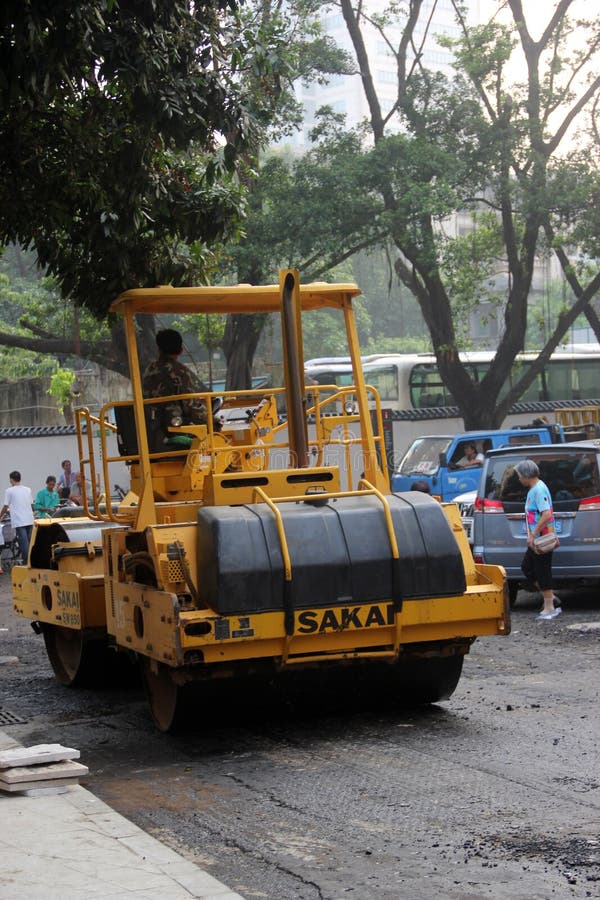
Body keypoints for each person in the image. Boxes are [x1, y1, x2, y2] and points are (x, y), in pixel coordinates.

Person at [142, 329, 211, 449]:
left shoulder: (149, 370)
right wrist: (212, 421)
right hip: (173, 430)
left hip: (151, 430)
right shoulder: (180, 371)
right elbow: (191, 407)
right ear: (181, 350)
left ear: (159, 349)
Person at [515, 459, 560, 621]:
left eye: (520, 475)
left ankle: (549, 606)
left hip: (542, 538)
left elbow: (546, 514)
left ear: (526, 475)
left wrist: (533, 534)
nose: (519, 478)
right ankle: (551, 597)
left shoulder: (538, 490)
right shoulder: (534, 489)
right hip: (536, 539)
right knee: (527, 567)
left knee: (542, 570)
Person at [0, 471, 34, 562]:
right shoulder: (28, 489)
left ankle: (26, 562)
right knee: (29, 541)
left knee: (24, 542)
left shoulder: (9, 491)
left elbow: (6, 506)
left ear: (11, 480)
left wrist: (0, 516)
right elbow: (31, 504)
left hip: (19, 520)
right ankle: (31, 561)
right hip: (29, 518)